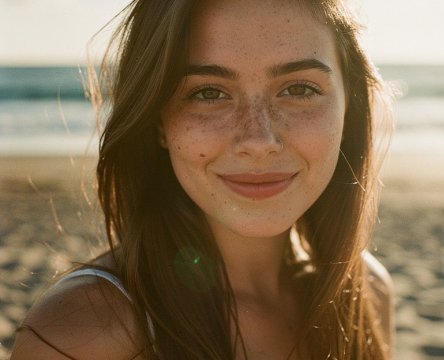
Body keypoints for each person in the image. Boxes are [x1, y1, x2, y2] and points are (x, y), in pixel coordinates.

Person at [11, 0, 395, 358]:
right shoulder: (84, 335)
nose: (258, 141)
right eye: (209, 93)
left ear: (350, 107)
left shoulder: (366, 296)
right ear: (158, 121)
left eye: (299, 89)